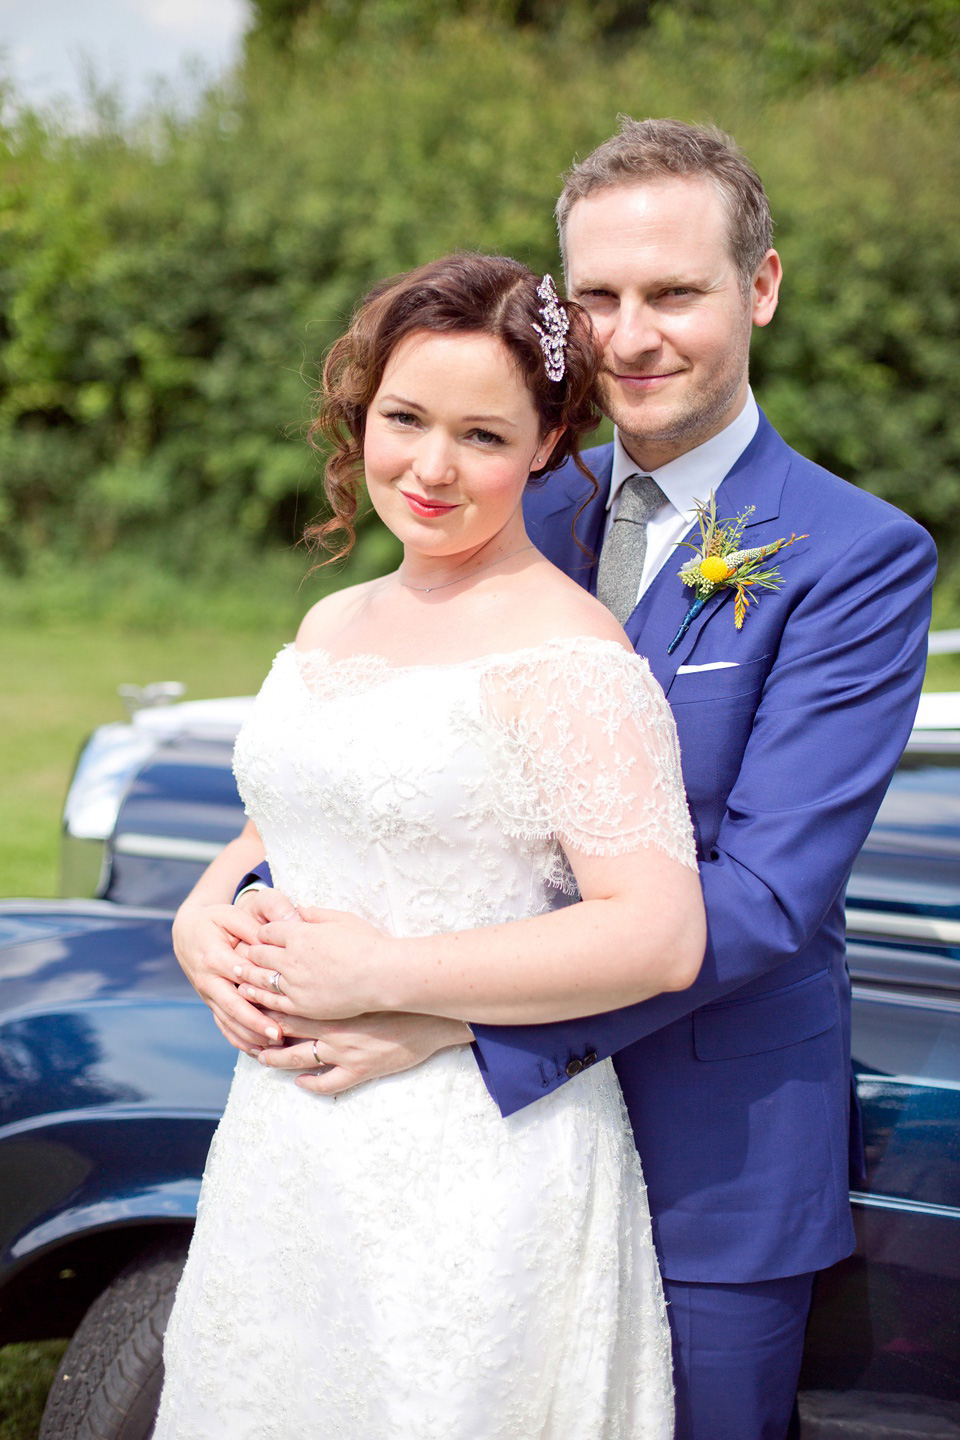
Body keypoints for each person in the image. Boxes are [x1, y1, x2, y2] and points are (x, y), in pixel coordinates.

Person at [213, 119, 938, 1440]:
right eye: (597, 297)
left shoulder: (856, 557)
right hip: (446, 1154)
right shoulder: (502, 481)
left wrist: (449, 1023)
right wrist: (224, 919)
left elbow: (768, 898)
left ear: (761, 288)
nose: (633, 334)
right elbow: (388, 765)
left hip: (712, 1150)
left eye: (676, 293)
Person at [159, 253, 705, 1438]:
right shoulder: (333, 619)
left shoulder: (570, 657)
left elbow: (658, 934)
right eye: (405, 420)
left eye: (483, 436)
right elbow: (282, 825)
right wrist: (200, 916)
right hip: (288, 1147)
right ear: (365, 411)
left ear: (549, 445)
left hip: (472, 1165)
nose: (432, 467)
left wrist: (382, 978)